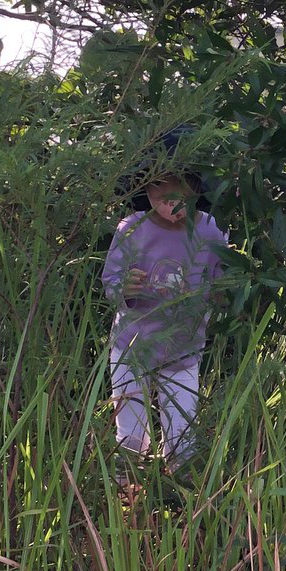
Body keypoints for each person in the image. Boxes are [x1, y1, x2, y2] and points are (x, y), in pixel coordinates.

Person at [101, 170, 227, 468]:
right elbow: (111, 282)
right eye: (159, 199)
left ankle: (181, 491)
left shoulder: (209, 230)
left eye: (179, 199)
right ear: (145, 192)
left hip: (182, 350)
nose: (170, 208)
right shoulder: (132, 229)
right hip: (131, 348)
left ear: (196, 189)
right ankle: (128, 486)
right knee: (130, 432)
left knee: (182, 435)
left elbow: (223, 284)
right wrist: (124, 288)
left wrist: (220, 294)